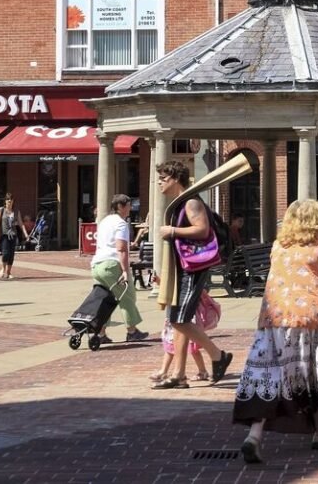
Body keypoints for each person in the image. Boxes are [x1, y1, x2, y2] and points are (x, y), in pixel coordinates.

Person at [233, 199, 318, 464]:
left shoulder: (278, 248)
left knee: (271, 376)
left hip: (273, 319)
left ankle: (254, 435)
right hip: (311, 319)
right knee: (312, 376)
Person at [152, 160, 233, 390]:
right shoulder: (180, 204)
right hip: (183, 268)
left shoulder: (191, 202)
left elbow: (202, 229)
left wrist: (172, 231)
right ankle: (179, 375)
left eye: (163, 179)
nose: (159, 183)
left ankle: (217, 355)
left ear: (176, 179)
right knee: (179, 320)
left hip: (193, 269)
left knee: (179, 319)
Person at [90, 194, 148, 343]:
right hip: (111, 264)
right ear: (120, 207)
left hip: (97, 264)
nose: (130, 208)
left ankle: (101, 333)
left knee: (104, 300)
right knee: (127, 296)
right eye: (128, 205)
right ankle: (132, 331)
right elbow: (121, 249)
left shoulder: (104, 221)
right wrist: (125, 270)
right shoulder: (121, 224)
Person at [0, 193, 28, 280]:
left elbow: (21, 223)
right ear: (5, 201)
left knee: (11, 255)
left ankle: (8, 273)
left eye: (11, 199)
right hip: (4, 235)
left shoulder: (16, 211)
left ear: (13, 201)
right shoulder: (1, 210)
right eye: (8, 199)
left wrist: (26, 234)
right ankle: (3, 269)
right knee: (5, 253)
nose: (9, 201)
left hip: (13, 235)